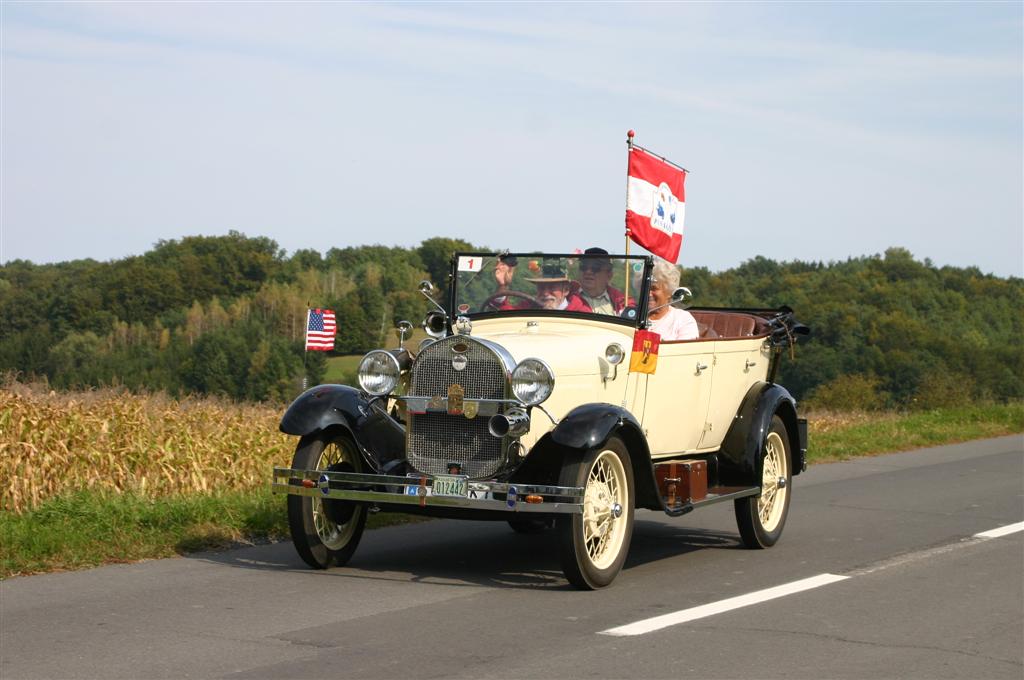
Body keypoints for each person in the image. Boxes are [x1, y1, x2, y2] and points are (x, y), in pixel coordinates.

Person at [646, 258, 699, 340]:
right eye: (645, 288)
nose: (648, 293)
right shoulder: (630, 315)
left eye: (654, 288)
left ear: (669, 292)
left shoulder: (683, 320)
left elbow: (684, 351)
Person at [570, 247, 630, 315]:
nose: (588, 272)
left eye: (595, 268)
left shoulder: (623, 303)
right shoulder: (567, 298)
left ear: (609, 275)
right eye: (584, 267)